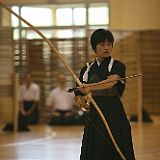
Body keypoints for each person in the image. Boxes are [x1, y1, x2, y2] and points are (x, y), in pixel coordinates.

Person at [74, 29, 135, 160]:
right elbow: (79, 94)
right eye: (102, 44)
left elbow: (110, 83)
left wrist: (88, 87)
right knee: (95, 148)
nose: (106, 47)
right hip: (95, 114)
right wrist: (81, 101)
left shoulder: (117, 66)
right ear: (94, 47)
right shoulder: (86, 70)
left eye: (109, 44)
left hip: (114, 113)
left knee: (117, 146)